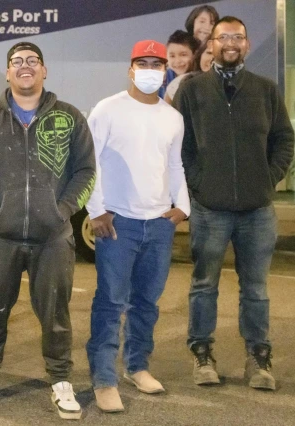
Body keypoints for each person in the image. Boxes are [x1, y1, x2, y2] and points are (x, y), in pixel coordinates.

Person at [0, 41, 96, 420]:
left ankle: (60, 381)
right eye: (16, 61)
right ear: (7, 72)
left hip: (52, 238)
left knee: (55, 315)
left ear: (44, 70)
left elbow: (86, 171)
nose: (25, 66)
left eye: (32, 61)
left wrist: (63, 210)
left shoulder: (69, 118)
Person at [173, 16, 294, 390]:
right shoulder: (192, 91)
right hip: (210, 210)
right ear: (210, 45)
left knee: (255, 288)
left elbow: (284, 141)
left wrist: (266, 178)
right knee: (204, 284)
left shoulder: (265, 90)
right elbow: (181, 146)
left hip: (257, 211)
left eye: (237, 37)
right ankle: (202, 353)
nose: (230, 43)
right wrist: (199, 186)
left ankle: (258, 358)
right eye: (223, 37)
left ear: (246, 43)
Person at [85, 40, 189, 412]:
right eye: (142, 63)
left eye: (156, 65)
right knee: (111, 303)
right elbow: (89, 162)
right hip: (119, 223)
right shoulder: (108, 110)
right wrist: (97, 210)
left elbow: (175, 165)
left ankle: (137, 365)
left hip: (159, 224)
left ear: (165, 71)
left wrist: (182, 208)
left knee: (147, 302)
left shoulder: (172, 117)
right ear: (130, 69)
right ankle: (103, 378)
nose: (149, 70)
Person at [159, 30, 199, 99]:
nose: (177, 61)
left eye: (183, 55)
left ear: (194, 54)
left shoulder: (200, 77)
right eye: (172, 56)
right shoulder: (162, 79)